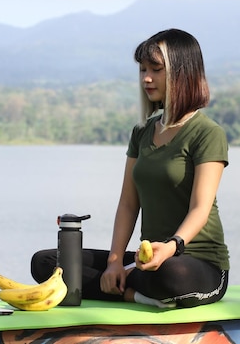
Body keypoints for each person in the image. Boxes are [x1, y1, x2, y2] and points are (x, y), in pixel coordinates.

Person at [31, 28, 229, 308]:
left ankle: (130, 291)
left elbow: (200, 208)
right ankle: (133, 288)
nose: (146, 78)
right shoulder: (143, 132)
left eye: (156, 69)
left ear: (183, 72)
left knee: (171, 275)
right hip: (146, 262)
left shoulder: (207, 132)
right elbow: (127, 203)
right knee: (47, 263)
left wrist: (171, 247)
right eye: (142, 69)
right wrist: (114, 261)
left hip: (198, 264)